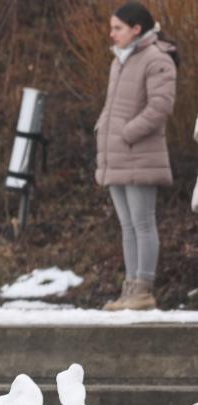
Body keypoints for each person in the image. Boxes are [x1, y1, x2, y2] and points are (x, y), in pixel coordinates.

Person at [96, 2, 178, 311]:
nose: (112, 33)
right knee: (127, 225)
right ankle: (130, 289)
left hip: (141, 155)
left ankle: (144, 288)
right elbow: (111, 107)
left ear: (136, 29)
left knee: (143, 223)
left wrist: (127, 133)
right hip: (116, 155)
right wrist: (103, 130)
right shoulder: (119, 61)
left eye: (117, 27)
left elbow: (160, 107)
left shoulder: (157, 59)